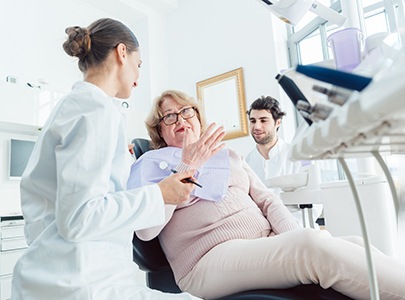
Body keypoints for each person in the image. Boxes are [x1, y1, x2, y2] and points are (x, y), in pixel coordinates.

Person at [127, 89, 405, 300]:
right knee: (310, 245)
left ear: (198, 119)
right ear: (160, 131)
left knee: (352, 242)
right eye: (169, 116)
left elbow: (268, 200)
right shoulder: (150, 163)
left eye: (186, 111)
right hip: (206, 259)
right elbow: (146, 231)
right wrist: (189, 165)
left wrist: (290, 236)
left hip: (263, 243)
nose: (180, 120)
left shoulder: (228, 156)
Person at [10, 18, 217, 300]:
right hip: (80, 281)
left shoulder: (80, 107)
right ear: (122, 53)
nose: (138, 75)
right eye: (139, 64)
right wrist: (159, 194)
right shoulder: (94, 110)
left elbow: (56, 211)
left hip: (69, 272)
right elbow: (79, 217)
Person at [245, 95, 322, 227]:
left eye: (263, 120)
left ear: (278, 122)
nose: (257, 126)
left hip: (298, 227)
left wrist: (287, 227)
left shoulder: (298, 155)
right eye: (253, 121)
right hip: (263, 231)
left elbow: (316, 203)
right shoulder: (247, 163)